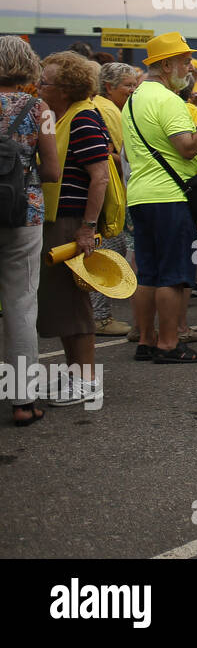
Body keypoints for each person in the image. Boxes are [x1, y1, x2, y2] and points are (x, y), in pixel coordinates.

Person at [123, 34, 197, 365]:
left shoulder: (135, 97)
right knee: (174, 274)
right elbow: (188, 147)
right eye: (184, 61)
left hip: (141, 194)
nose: (190, 68)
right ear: (165, 65)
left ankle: (145, 339)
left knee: (148, 274)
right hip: (170, 196)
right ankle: (170, 344)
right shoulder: (167, 100)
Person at [37, 52, 113, 401]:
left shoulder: (83, 119)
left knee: (74, 302)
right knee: (63, 302)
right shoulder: (61, 116)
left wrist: (86, 228)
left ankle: (87, 381)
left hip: (71, 222)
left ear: (65, 89)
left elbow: (100, 178)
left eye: (46, 82)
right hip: (59, 218)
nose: (39, 86)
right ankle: (75, 375)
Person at [0, 38, 59, 424]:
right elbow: (52, 171)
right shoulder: (41, 110)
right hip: (24, 215)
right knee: (21, 304)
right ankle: (23, 401)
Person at [88, 62, 137, 337]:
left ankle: (97, 314)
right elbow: (120, 153)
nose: (133, 90)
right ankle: (100, 317)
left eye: (134, 84)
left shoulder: (104, 105)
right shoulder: (108, 110)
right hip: (110, 192)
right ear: (109, 87)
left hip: (107, 189)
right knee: (109, 251)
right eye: (128, 86)